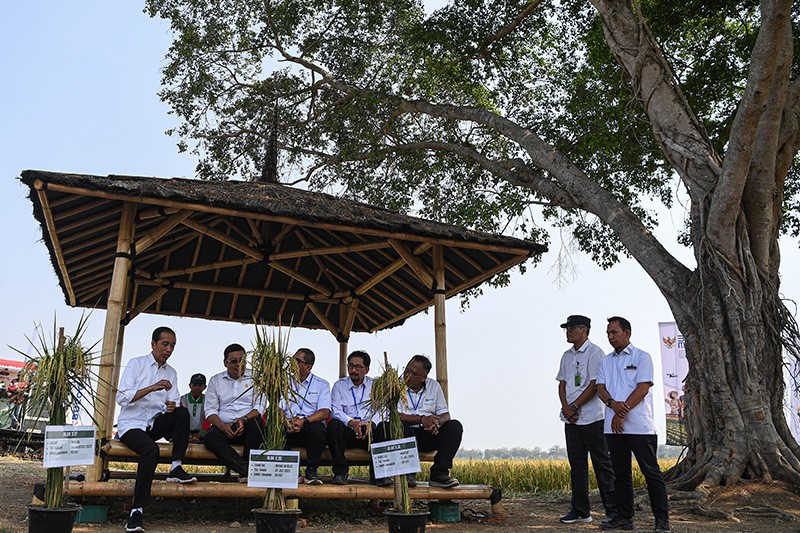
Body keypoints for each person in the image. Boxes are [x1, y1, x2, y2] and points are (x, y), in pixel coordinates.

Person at [116, 326, 196, 533]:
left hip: (154, 423)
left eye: (172, 345)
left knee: (182, 413)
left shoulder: (172, 373)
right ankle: (137, 510)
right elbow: (122, 397)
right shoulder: (136, 364)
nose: (169, 349)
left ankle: (176, 467)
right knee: (151, 450)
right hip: (131, 425)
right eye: (165, 344)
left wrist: (170, 406)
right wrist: (152, 387)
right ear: (153, 344)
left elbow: (174, 401)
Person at [597, 317, 671, 533]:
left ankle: (662, 522)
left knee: (651, 473)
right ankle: (624, 518)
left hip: (639, 427)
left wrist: (622, 412)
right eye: (608, 333)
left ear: (627, 333)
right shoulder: (605, 361)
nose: (611, 337)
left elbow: (643, 388)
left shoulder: (642, 357)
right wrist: (612, 404)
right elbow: (601, 388)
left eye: (614, 332)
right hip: (613, 428)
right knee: (620, 474)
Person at [555, 314, 617, 524]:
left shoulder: (595, 353)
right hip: (571, 420)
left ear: (584, 330)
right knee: (577, 464)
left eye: (571, 328)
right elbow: (562, 383)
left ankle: (612, 511)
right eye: (567, 329)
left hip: (592, 418)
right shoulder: (566, 355)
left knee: (602, 463)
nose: (568, 332)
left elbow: (593, 385)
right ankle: (581, 510)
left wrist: (575, 406)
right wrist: (566, 408)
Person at [396, 354, 462, 488]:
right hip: (405, 435)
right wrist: (421, 419)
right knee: (401, 426)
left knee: (455, 427)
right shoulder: (395, 386)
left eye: (413, 373)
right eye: (406, 370)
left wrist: (436, 423)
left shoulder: (434, 386)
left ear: (423, 377)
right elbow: (393, 416)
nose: (407, 375)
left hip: (428, 433)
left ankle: (439, 473)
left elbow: (445, 414)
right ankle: (409, 473)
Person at [203, 344, 265, 479]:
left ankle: (246, 471)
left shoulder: (256, 378)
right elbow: (210, 410)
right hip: (223, 426)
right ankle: (247, 470)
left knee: (257, 424)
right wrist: (222, 426)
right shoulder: (215, 380)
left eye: (242, 360)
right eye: (233, 361)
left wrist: (244, 419)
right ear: (225, 363)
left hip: (247, 424)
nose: (238, 364)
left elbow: (260, 406)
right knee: (210, 437)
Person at [327, 350, 383, 485]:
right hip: (348, 431)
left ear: (367, 369)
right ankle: (340, 472)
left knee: (384, 428)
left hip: (370, 431)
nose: (353, 370)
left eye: (358, 367)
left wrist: (371, 424)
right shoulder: (339, 385)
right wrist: (352, 422)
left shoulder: (376, 386)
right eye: (350, 366)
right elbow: (335, 410)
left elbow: (383, 410)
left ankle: (379, 475)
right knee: (334, 425)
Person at [280, 348, 331, 485]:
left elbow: (324, 411)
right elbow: (279, 408)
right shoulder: (284, 382)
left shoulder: (322, 384)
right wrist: (285, 421)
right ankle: (291, 472)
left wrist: (304, 422)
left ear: (308, 366)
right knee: (275, 430)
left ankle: (311, 471)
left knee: (318, 429)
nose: (291, 363)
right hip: (288, 426)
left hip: (308, 426)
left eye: (296, 361)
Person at [181, 373, 207, 444]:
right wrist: (187, 434)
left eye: (200, 385)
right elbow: (180, 419)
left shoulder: (208, 400)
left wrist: (201, 433)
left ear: (204, 387)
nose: (197, 388)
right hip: (184, 430)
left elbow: (208, 418)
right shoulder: (182, 400)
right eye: (194, 385)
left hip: (202, 432)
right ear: (190, 386)